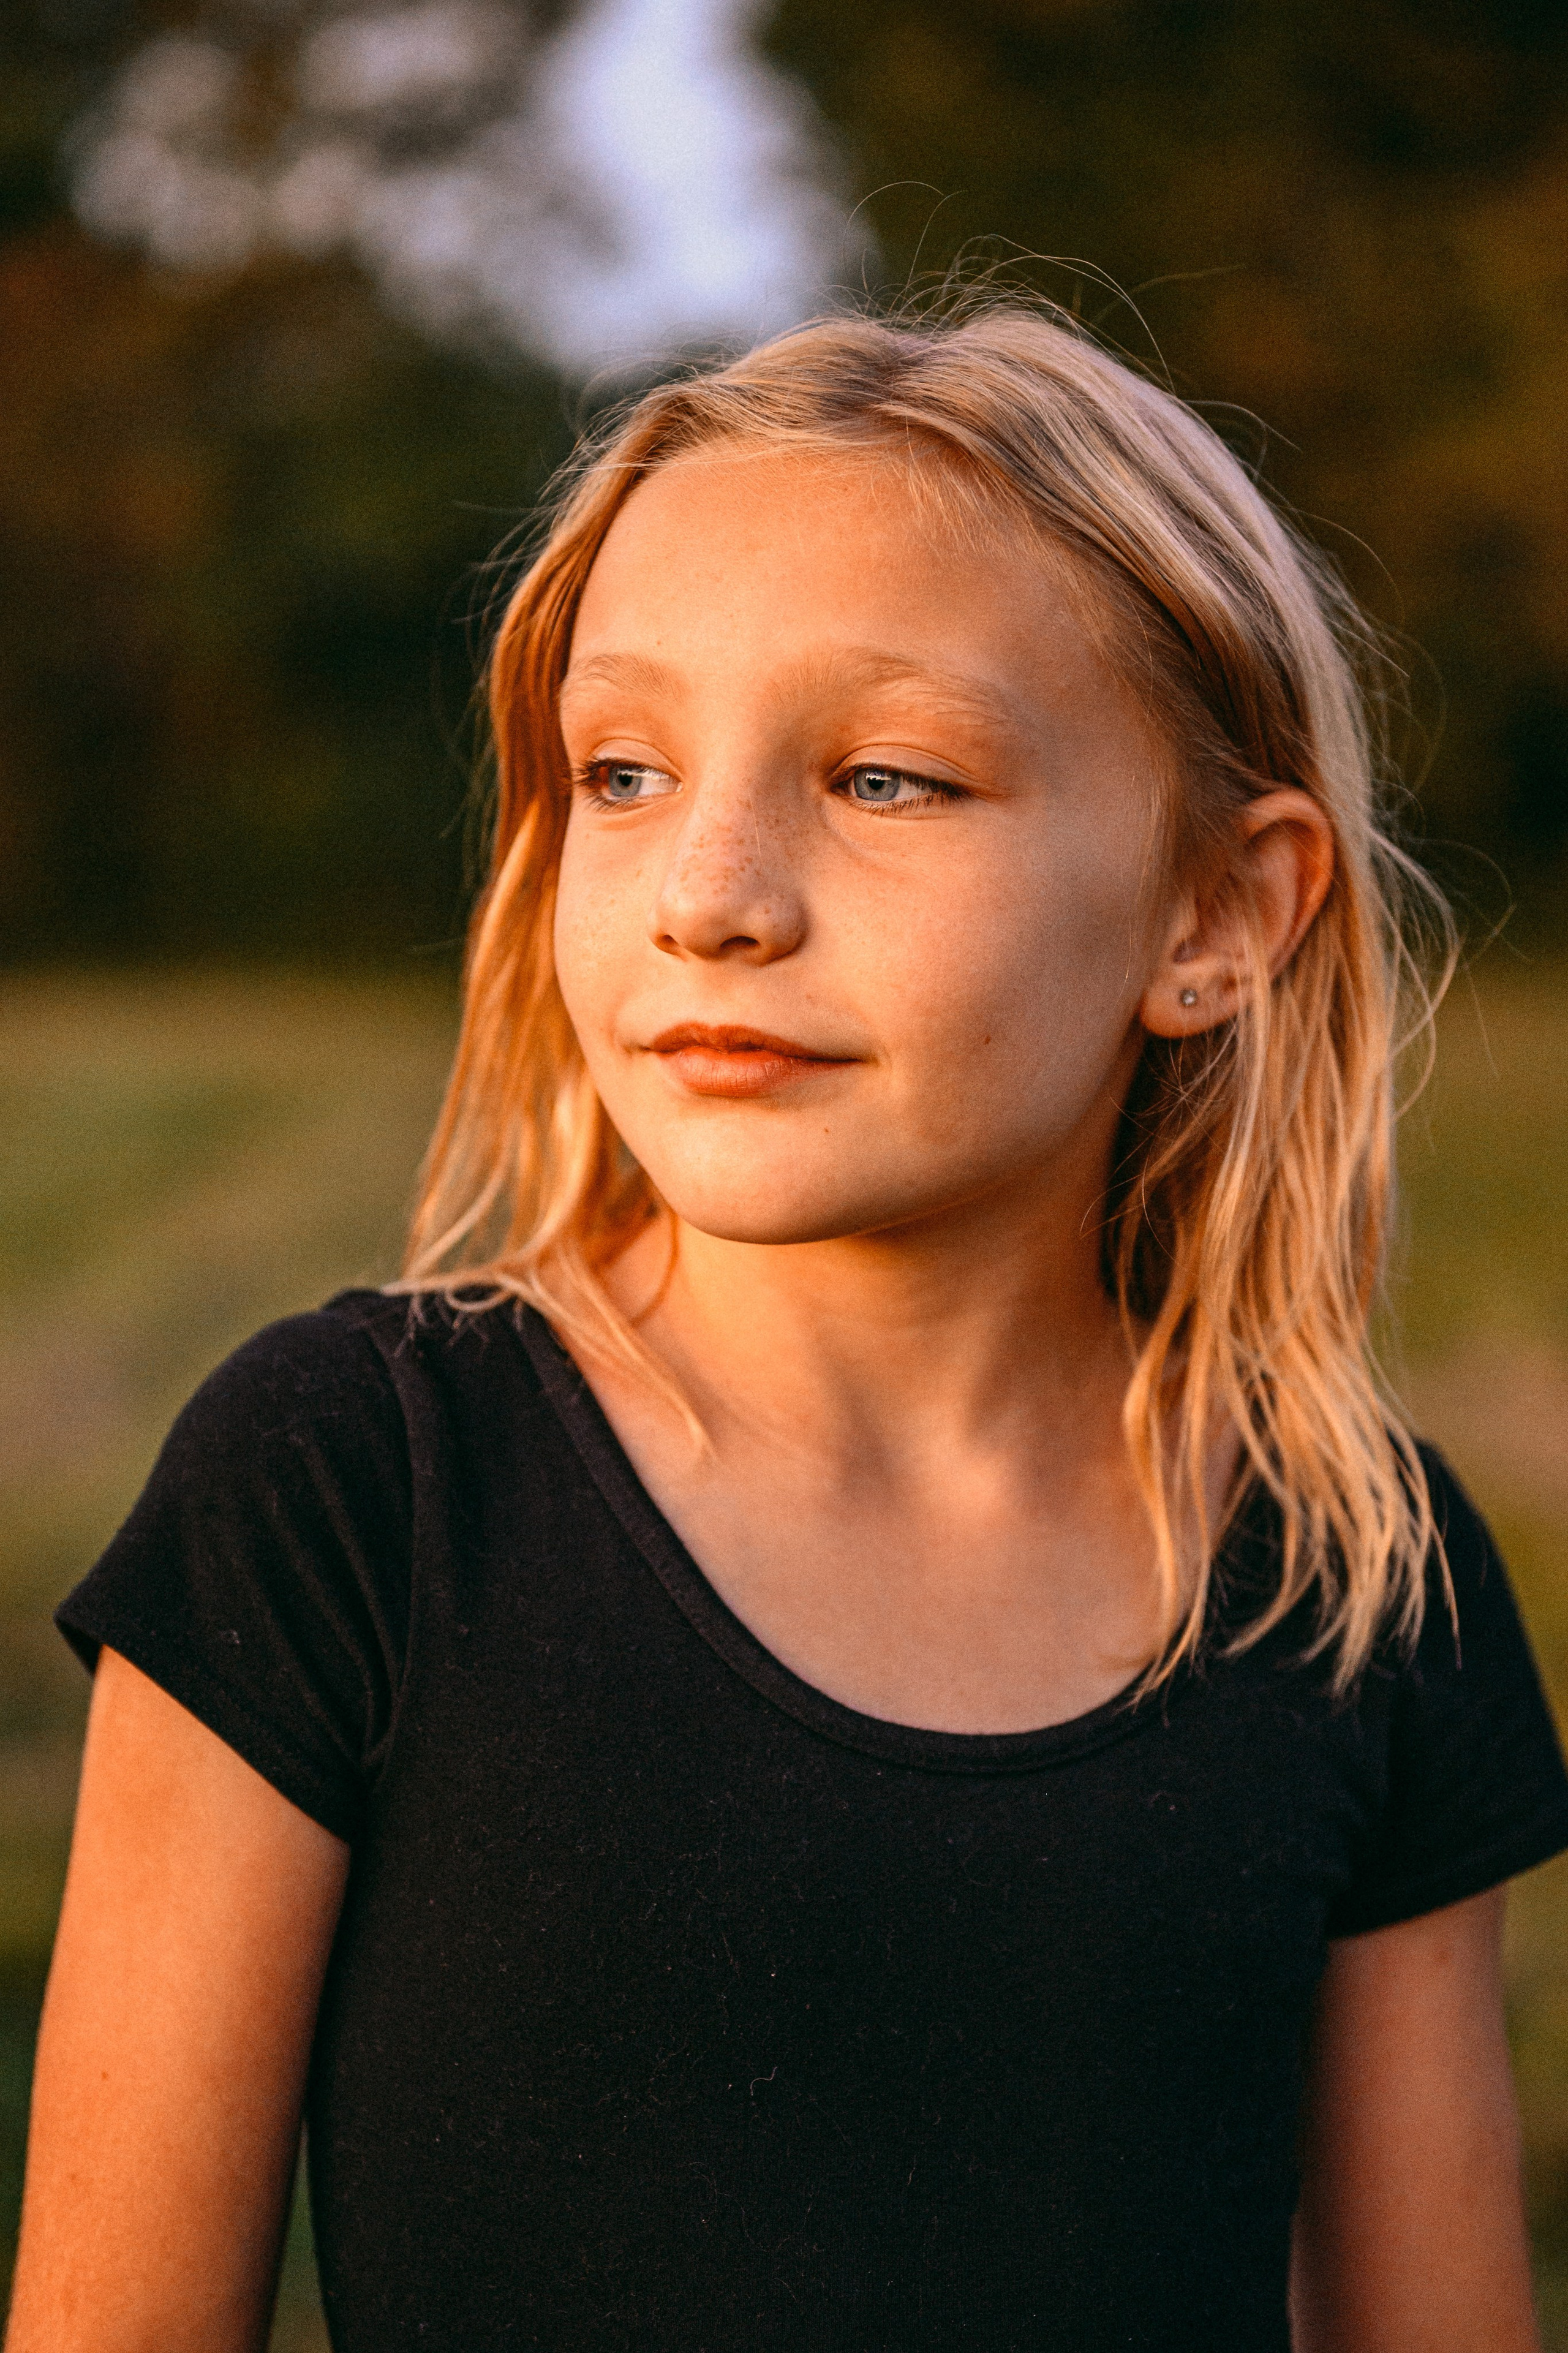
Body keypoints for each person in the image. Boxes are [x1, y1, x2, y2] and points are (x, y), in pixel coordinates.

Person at [9, 301, 1567, 2353]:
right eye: (624, 771)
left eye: (891, 776)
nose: (711, 892)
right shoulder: (347, 1491)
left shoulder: (1357, 1577)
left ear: (1217, 915)